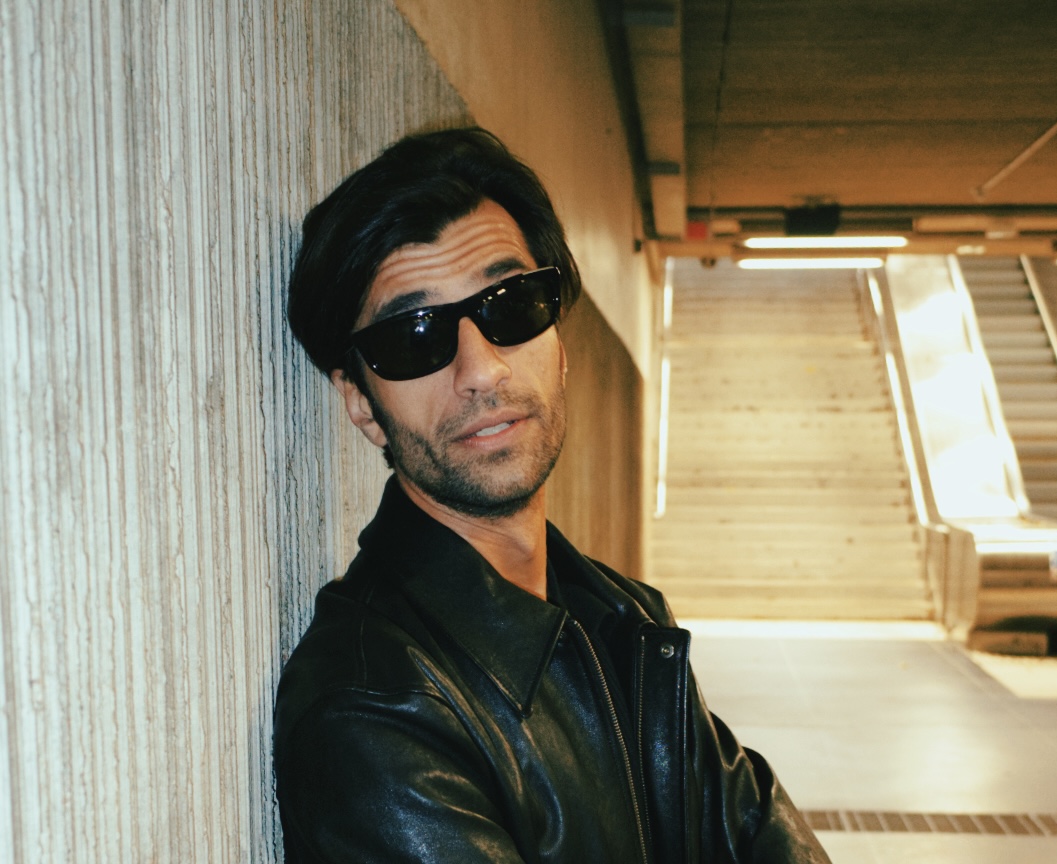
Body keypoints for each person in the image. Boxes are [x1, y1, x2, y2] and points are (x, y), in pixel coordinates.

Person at [274, 127, 830, 863]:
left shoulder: (623, 619)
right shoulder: (373, 705)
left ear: (559, 344)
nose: (481, 369)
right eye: (415, 335)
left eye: (511, 305)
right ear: (360, 402)